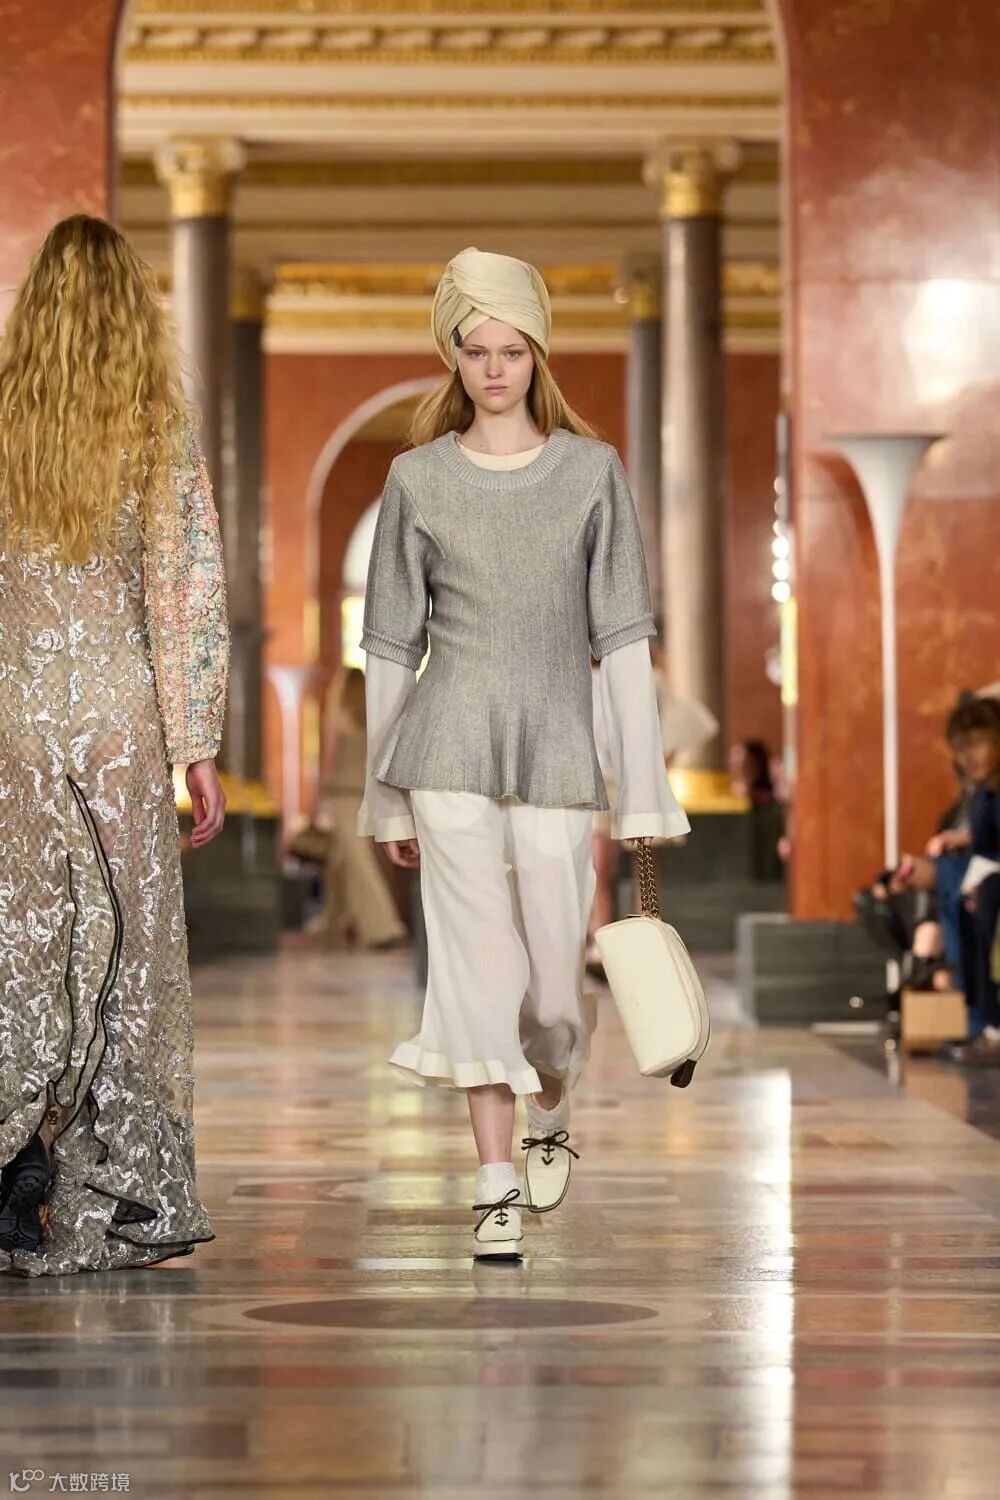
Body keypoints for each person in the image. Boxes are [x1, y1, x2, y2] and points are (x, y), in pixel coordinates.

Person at [357, 247, 689, 1260]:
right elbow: (387, 648)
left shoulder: (591, 473)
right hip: (444, 748)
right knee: (476, 967)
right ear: (452, 356)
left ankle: (553, 1099)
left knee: (552, 989)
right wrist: (384, 799)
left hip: (556, 749)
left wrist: (643, 791)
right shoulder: (416, 479)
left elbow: (624, 640)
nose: (493, 370)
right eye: (475, 351)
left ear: (537, 353)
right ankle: (493, 1182)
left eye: (511, 350)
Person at [0, 216, 229, 1275]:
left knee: (25, 943)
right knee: (124, 950)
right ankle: (109, 1177)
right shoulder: (154, 426)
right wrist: (197, 747)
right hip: (117, 723)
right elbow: (184, 593)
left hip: (14, 715)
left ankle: (18, 1154)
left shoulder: (4, 422)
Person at [314, 668, 407, 949]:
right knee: (340, 861)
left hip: (341, 797)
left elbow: (327, 761)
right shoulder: (372, 723)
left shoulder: (338, 720)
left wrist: (319, 802)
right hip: (364, 797)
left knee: (358, 863)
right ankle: (333, 923)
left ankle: (383, 927)